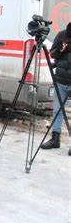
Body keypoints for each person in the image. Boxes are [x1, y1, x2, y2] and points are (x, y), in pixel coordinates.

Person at [40, 22, 71, 151]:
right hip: (61, 81)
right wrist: (60, 49)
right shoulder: (62, 35)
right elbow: (52, 54)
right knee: (57, 110)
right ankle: (55, 138)